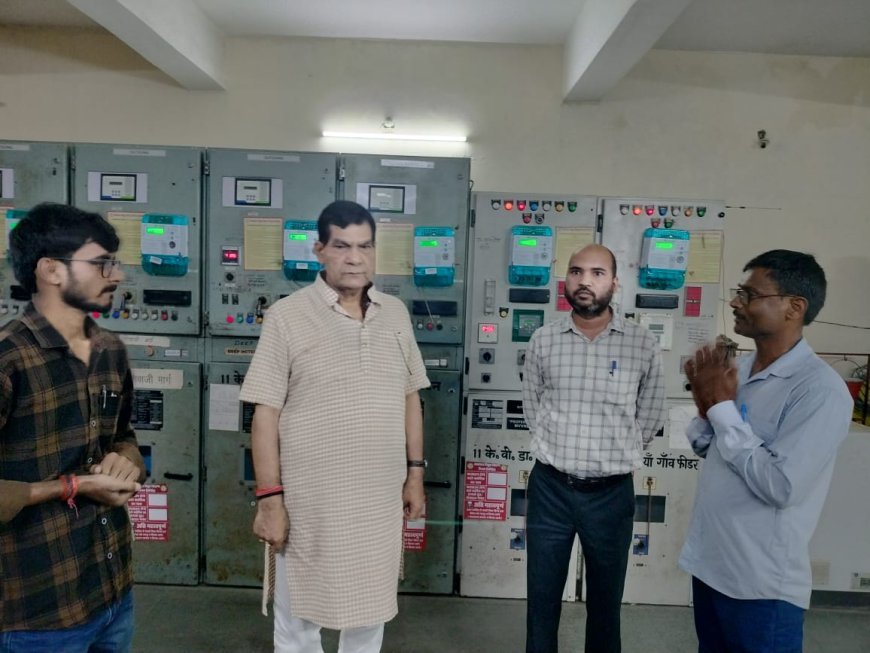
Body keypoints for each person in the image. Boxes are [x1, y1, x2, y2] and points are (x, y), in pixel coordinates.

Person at [240, 200, 430, 653]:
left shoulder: (395, 313)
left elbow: (410, 398)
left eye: (365, 246)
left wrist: (415, 475)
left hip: (378, 502)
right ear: (319, 250)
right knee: (299, 620)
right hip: (310, 504)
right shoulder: (287, 315)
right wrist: (269, 500)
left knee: (369, 614)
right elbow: (265, 414)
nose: (355, 258)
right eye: (342, 246)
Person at [679, 250, 853, 653]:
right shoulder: (739, 369)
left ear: (795, 307)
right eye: (738, 292)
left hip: (760, 586)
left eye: (749, 294)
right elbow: (706, 445)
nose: (735, 302)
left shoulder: (820, 390)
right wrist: (707, 405)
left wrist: (722, 409)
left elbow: (781, 486)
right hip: (711, 567)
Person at [0, 203, 145, 652]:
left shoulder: (109, 349)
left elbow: (124, 435)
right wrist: (75, 486)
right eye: (102, 263)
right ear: (51, 271)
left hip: (111, 592)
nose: (117, 275)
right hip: (36, 613)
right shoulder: (8, 360)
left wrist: (127, 461)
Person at [522, 244, 666, 653]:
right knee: (541, 599)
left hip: (610, 494)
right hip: (551, 490)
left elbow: (650, 414)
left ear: (615, 283)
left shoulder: (641, 344)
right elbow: (533, 407)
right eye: (576, 271)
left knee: (605, 604)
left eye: (597, 273)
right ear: (566, 279)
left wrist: (616, 452)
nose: (585, 281)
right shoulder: (543, 340)